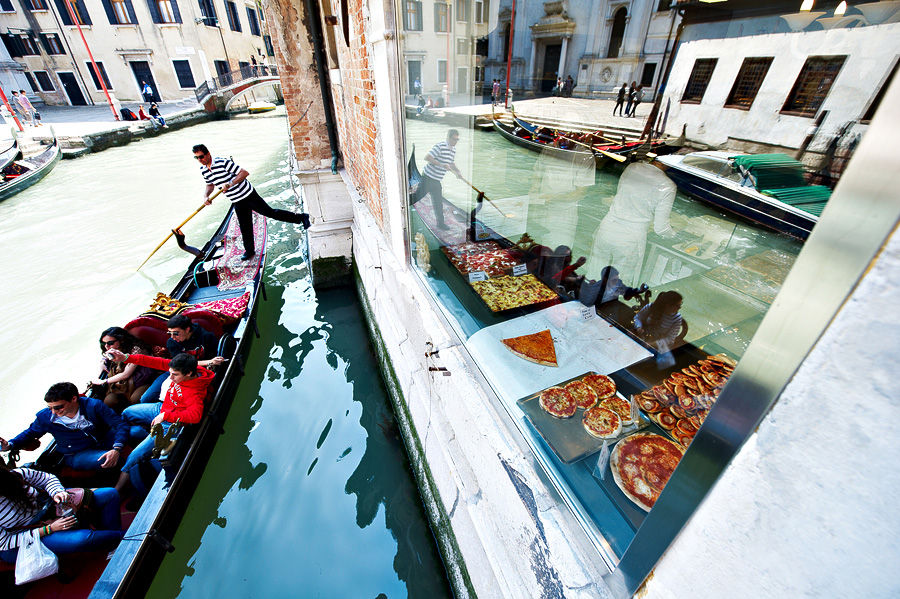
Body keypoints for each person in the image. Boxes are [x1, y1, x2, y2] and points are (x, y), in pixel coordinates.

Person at [112, 351, 214, 494]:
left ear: (189, 374)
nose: (170, 378)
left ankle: (117, 490)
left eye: (175, 375)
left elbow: (195, 416)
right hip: (162, 408)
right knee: (127, 412)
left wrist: (166, 416)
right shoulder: (181, 368)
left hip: (169, 423)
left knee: (133, 457)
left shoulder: (194, 392)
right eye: (170, 373)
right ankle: (140, 434)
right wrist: (126, 357)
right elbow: (152, 361)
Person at [194, 143, 311, 261]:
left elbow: (244, 173)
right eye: (197, 158)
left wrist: (230, 184)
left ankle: (302, 218)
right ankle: (249, 251)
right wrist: (206, 196)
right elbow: (210, 184)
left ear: (208, 154)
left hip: (248, 195)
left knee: (270, 213)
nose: (200, 160)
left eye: (201, 156)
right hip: (236, 200)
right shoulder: (204, 170)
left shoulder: (222, 162)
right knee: (245, 226)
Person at [0, 466, 123, 564]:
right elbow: (5, 542)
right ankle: (124, 537)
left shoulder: (17, 474)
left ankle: (113, 544)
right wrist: (49, 529)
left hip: (45, 511)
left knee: (110, 494)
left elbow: (47, 479)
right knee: (81, 539)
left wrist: (57, 492)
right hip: (19, 540)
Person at [0, 383, 127, 472]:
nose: (54, 412)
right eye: (50, 408)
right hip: (76, 453)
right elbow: (30, 433)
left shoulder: (93, 406)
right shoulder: (45, 417)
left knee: (135, 431)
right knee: (106, 460)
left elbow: (119, 424)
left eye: (58, 407)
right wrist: (9, 445)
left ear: (74, 399)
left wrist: (116, 447)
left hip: (103, 439)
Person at [589, 161, 677, 286]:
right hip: (630, 239)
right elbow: (661, 228)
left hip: (607, 228)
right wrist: (675, 235)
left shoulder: (633, 167)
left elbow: (620, 194)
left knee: (595, 273)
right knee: (618, 283)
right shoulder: (668, 185)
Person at [138, 314, 223, 404]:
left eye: (175, 333)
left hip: (197, 372)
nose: (172, 337)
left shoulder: (206, 337)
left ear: (187, 329)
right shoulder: (172, 342)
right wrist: (208, 362)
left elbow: (214, 360)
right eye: (169, 333)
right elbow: (180, 364)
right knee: (145, 398)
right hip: (175, 370)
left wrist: (210, 362)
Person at [90, 327, 160, 411]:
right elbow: (104, 360)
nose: (106, 346)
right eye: (104, 343)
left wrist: (104, 381)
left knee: (135, 399)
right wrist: (102, 365)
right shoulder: (110, 351)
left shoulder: (136, 350)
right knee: (109, 401)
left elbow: (126, 374)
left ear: (121, 340)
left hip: (142, 381)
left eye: (110, 343)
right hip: (123, 385)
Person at [412, 129, 462, 230]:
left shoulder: (453, 150)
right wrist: (441, 165)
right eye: (454, 139)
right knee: (417, 197)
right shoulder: (440, 146)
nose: (455, 141)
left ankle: (440, 224)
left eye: (457, 139)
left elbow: (451, 163)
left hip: (436, 180)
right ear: (448, 138)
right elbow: (427, 157)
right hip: (428, 178)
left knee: (438, 203)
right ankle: (403, 203)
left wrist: (458, 172)